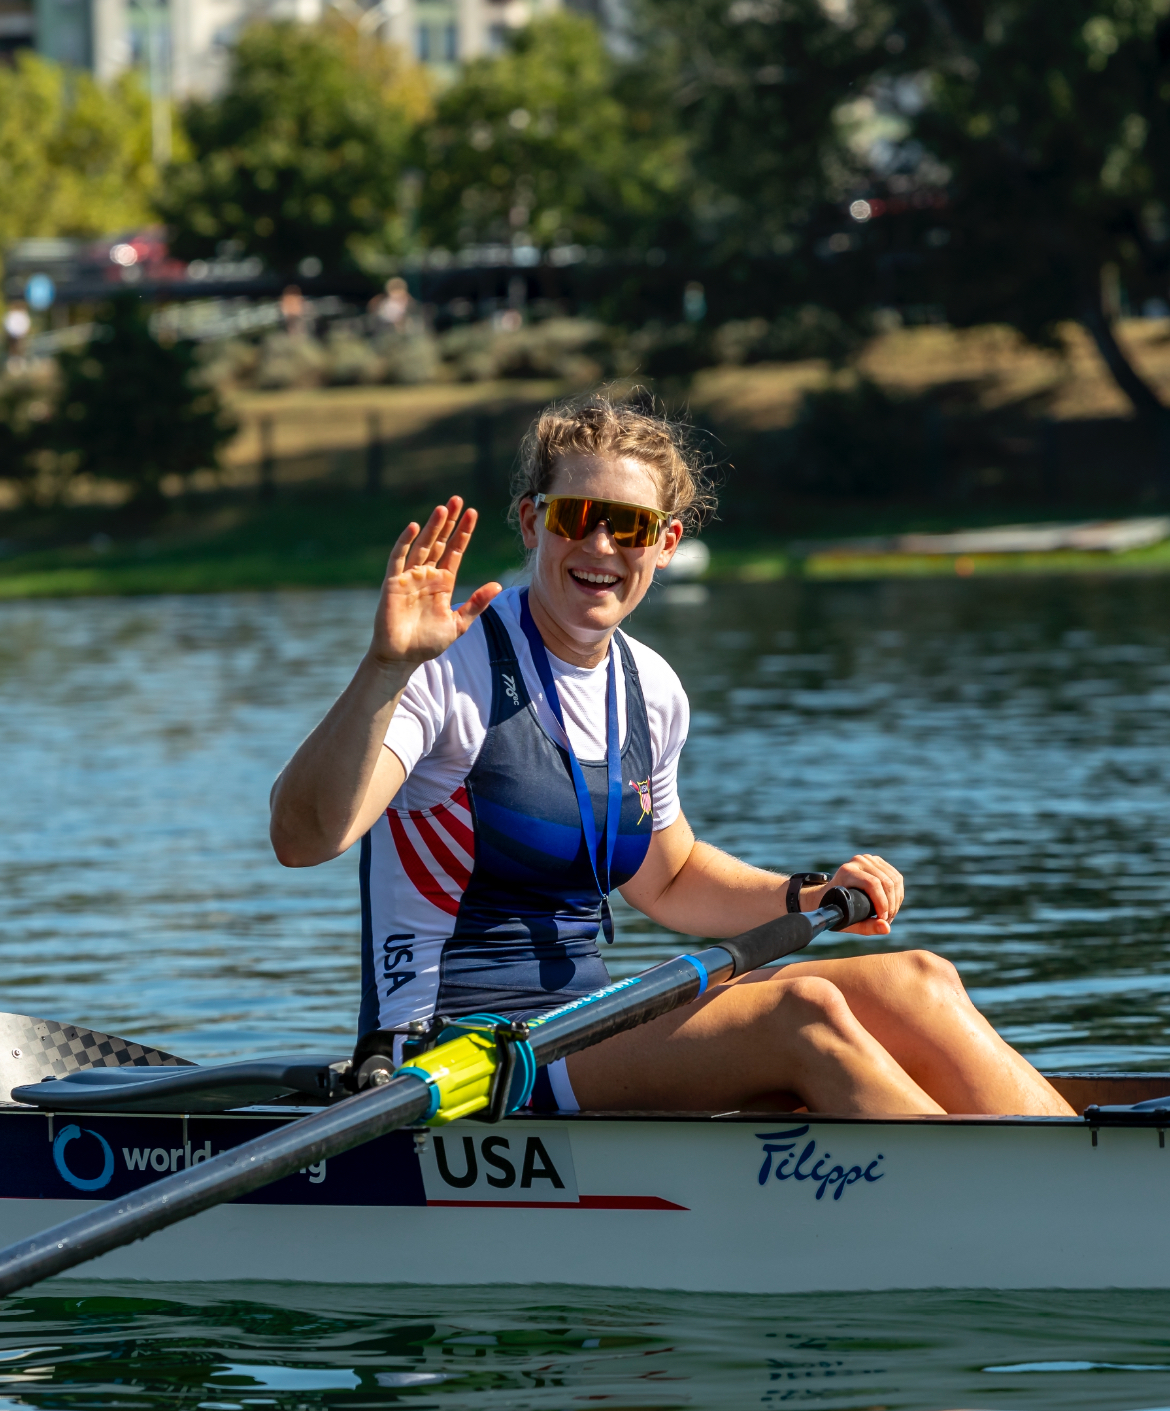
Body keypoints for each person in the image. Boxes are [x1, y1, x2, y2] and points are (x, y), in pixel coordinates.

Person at [270, 394, 1074, 1119]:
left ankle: (1083, 1183)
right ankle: (1014, 1213)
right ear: (529, 522)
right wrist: (384, 668)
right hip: (457, 1052)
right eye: (574, 515)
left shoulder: (649, 687)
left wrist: (810, 891)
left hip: (584, 1021)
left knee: (919, 981)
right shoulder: (452, 667)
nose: (599, 543)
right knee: (806, 1015)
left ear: (665, 543)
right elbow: (303, 838)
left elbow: (672, 876)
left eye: (629, 526)